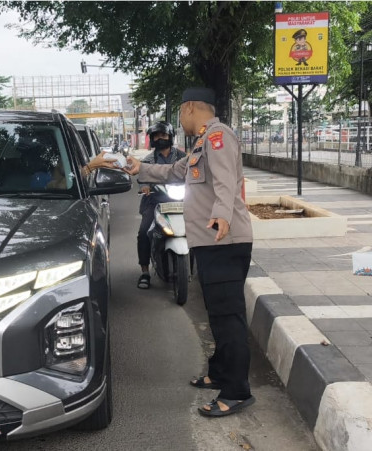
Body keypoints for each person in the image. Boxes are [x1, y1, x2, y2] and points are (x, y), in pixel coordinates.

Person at [125, 87, 254, 417]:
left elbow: (226, 181)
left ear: (190, 109)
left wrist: (222, 215)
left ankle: (237, 391)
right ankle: (219, 372)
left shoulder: (218, 137)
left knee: (229, 317)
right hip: (209, 242)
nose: (180, 120)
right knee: (217, 313)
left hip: (223, 240)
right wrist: (138, 168)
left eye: (181, 113)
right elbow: (174, 171)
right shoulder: (201, 142)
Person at [136, 121, 186, 289]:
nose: (160, 138)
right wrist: (144, 186)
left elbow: (194, 174)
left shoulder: (183, 157)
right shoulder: (148, 160)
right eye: (156, 136)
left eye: (163, 135)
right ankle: (145, 272)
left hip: (180, 200)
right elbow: (141, 178)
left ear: (170, 137)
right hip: (155, 200)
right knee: (144, 232)